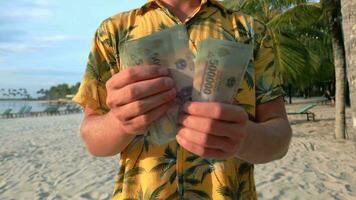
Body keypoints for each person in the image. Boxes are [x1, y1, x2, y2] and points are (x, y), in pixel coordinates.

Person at [73, 0, 293, 199]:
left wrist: (244, 137)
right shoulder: (113, 31)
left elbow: (280, 136)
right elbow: (92, 138)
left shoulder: (251, 31)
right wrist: (119, 122)